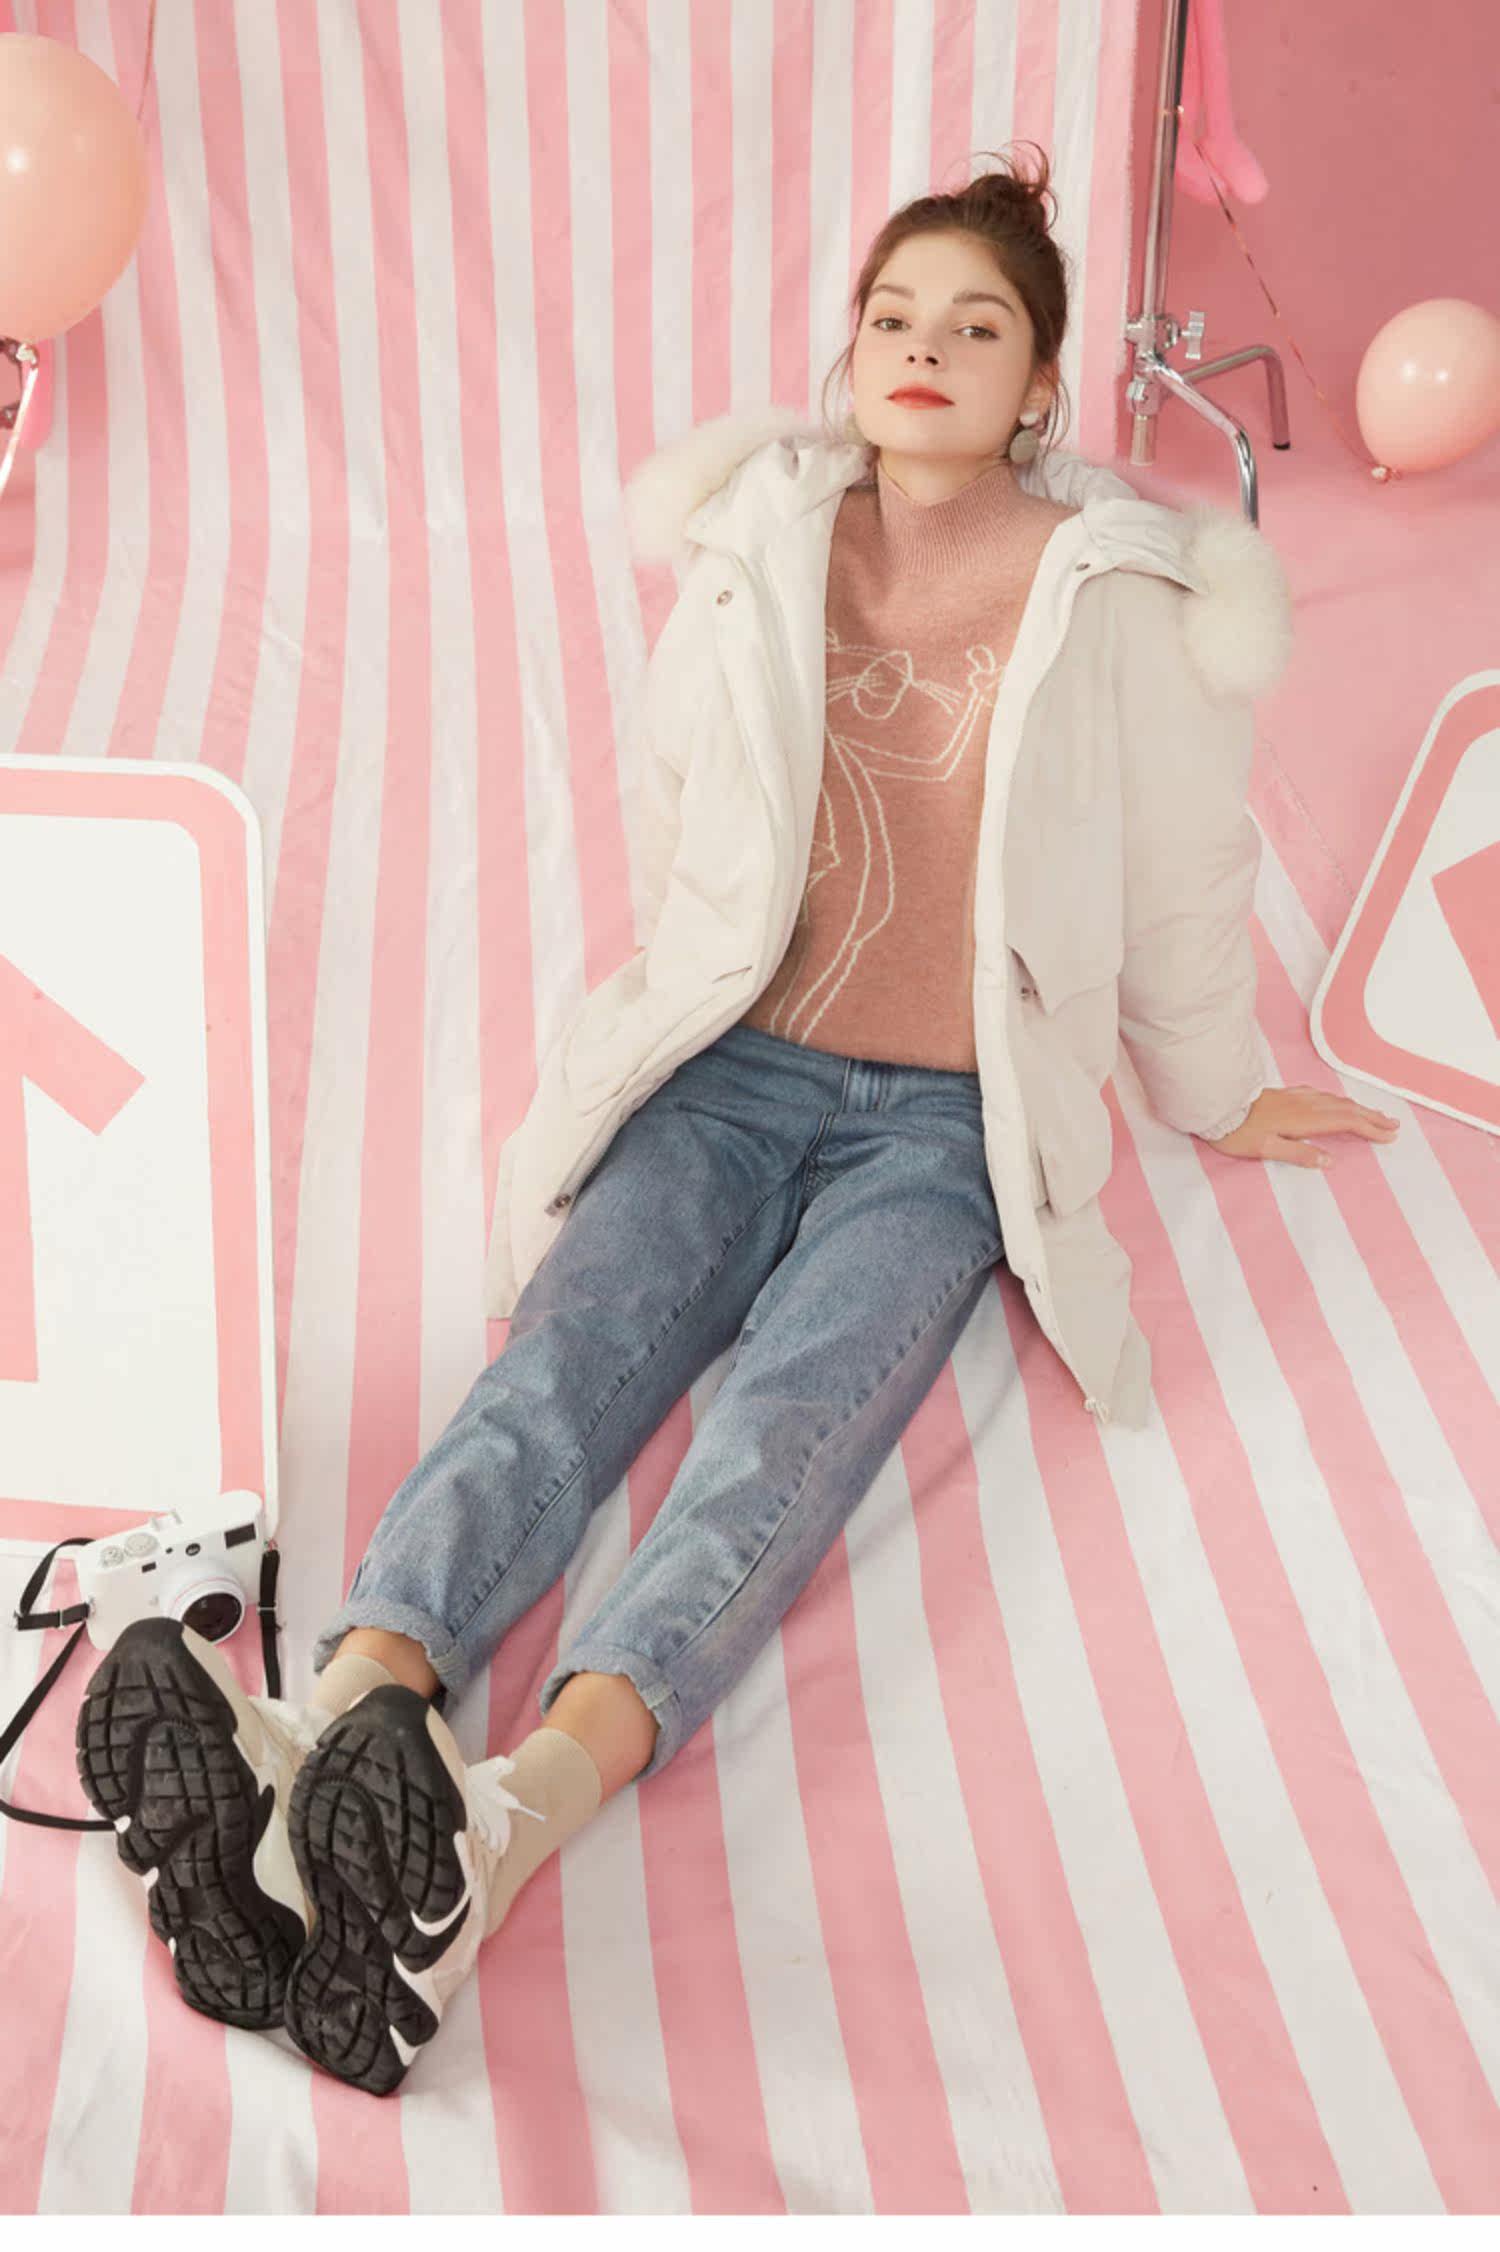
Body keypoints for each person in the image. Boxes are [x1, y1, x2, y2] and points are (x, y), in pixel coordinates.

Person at [78, 146, 1398, 2100]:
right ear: (849, 352)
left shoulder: (1118, 593)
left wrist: (1216, 1083)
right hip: (732, 1069)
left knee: (782, 1440)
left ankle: (498, 1826)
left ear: (1041, 384)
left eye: (976, 327)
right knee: (562, 1366)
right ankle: (333, 1728)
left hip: (943, 1121)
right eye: (894, 316)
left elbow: (1185, 870)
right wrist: (678, 1004)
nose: (924, 350)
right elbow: (689, 802)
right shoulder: (762, 539)